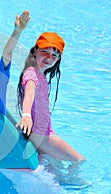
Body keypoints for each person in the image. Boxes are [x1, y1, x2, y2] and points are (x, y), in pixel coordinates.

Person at [16, 32, 86, 180]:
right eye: (45, 52)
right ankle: (73, 184)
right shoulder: (31, 74)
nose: (49, 58)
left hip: (42, 132)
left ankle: (63, 181)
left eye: (54, 55)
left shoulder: (40, 74)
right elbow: (29, 92)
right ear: (35, 51)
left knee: (57, 167)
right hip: (42, 135)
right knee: (79, 160)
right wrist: (26, 114)